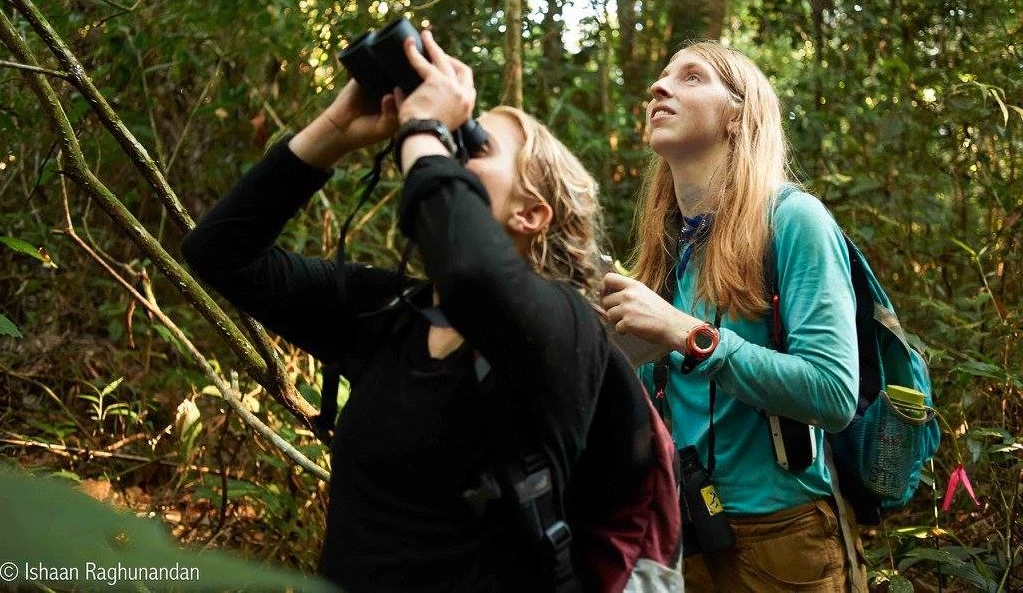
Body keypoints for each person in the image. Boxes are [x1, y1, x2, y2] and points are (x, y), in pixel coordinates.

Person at [180, 31, 654, 592]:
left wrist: (426, 131)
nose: (447, 156)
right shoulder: (388, 314)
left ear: (531, 214)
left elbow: (475, 275)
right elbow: (220, 253)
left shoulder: (566, 329)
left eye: (472, 146)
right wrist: (333, 132)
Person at [600, 41, 868, 591]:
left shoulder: (794, 220)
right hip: (686, 527)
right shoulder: (669, 244)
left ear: (737, 115)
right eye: (661, 75)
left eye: (691, 77)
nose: (659, 87)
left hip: (785, 537)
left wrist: (687, 334)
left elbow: (834, 394)